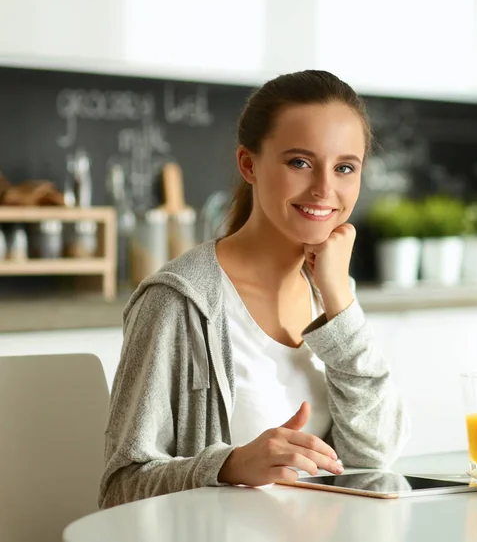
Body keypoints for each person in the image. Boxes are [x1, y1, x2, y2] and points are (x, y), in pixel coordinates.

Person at [99, 70, 409, 509]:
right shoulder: (179, 301)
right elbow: (119, 490)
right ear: (249, 164)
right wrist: (228, 466)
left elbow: (374, 458)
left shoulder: (328, 292)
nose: (324, 189)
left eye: (344, 168)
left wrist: (341, 302)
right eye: (299, 162)